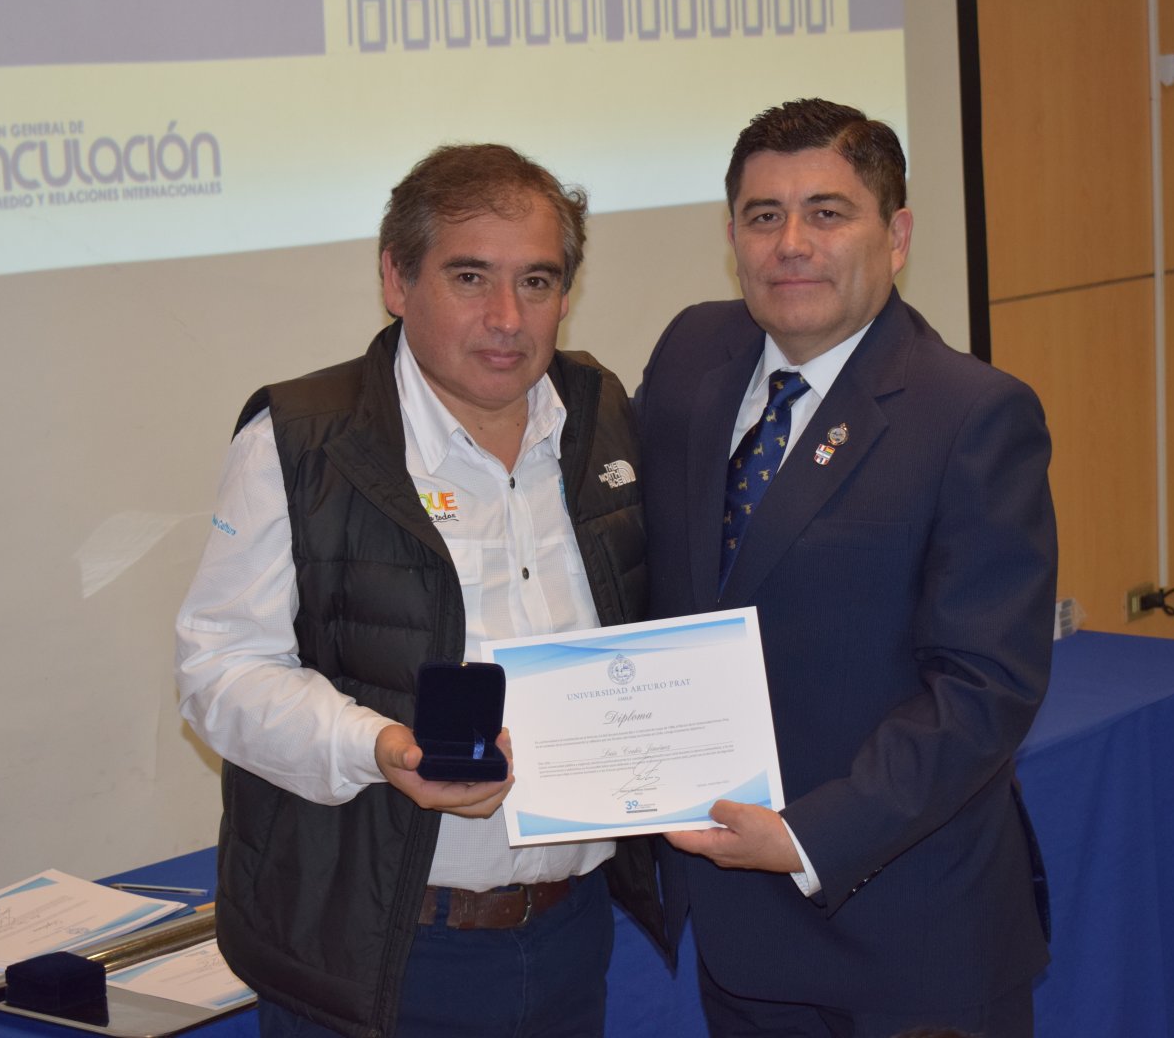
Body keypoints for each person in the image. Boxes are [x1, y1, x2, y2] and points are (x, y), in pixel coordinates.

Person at [176, 143, 663, 1038]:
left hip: (573, 934)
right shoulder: (302, 441)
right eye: (470, 277)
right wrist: (380, 747)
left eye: (537, 282)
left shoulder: (603, 416)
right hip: (379, 951)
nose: (507, 318)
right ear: (396, 280)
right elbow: (221, 673)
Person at [636, 99, 1056, 1036]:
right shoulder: (692, 354)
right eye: (763, 216)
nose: (791, 244)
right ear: (733, 238)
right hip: (738, 934)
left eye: (827, 213)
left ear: (896, 236)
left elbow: (986, 687)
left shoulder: (972, 415)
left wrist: (806, 836)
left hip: (908, 936)